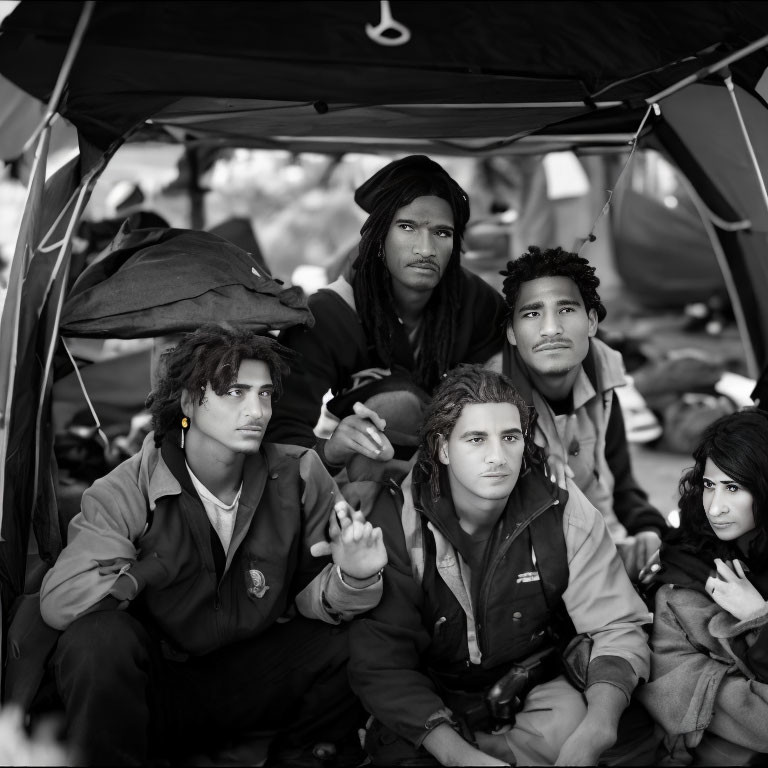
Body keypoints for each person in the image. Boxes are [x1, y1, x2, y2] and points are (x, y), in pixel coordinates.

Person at [39, 325, 388, 766]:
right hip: (156, 691)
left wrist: (354, 575)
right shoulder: (129, 488)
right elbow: (58, 603)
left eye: (264, 394)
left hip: (250, 680)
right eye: (234, 391)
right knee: (95, 638)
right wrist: (150, 571)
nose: (256, 410)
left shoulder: (299, 473)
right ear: (188, 402)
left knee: (362, 636)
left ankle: (297, 759)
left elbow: (314, 604)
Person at [348, 364, 653, 766]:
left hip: (534, 691)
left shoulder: (561, 508)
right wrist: (460, 758)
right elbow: (382, 664)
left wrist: (597, 731)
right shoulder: (399, 518)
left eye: (510, 437)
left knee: (612, 728)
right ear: (442, 448)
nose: (497, 456)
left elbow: (616, 625)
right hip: (430, 704)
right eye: (476, 439)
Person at [267, 155, 506, 477]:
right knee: (395, 406)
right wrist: (331, 450)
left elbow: (505, 401)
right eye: (407, 227)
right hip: (361, 479)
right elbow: (283, 432)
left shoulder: (478, 302)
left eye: (442, 233)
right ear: (379, 238)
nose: (425, 248)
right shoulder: (331, 313)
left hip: (460, 470)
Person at [496, 245, 667, 580]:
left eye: (566, 310)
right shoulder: (490, 402)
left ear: (591, 321)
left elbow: (619, 480)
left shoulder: (603, 374)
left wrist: (648, 528)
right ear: (511, 333)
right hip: (535, 572)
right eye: (532, 313)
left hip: (609, 548)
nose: (550, 329)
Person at [637, 409, 768, 765]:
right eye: (709, 485)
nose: (715, 506)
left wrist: (759, 614)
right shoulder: (684, 580)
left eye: (733, 488)